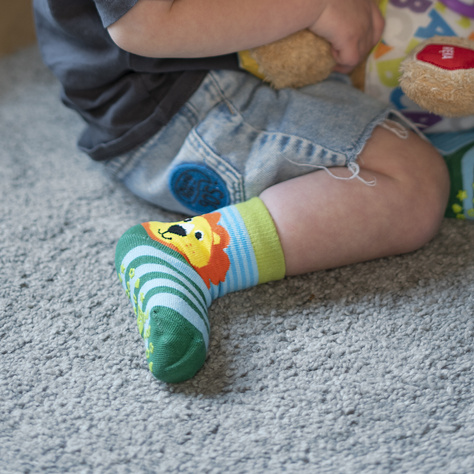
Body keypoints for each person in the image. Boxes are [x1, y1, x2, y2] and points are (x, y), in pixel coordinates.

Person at [33, 0, 450, 383]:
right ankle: (193, 254)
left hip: (247, 55)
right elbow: (143, 24)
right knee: (412, 181)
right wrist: (315, 7)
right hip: (185, 101)